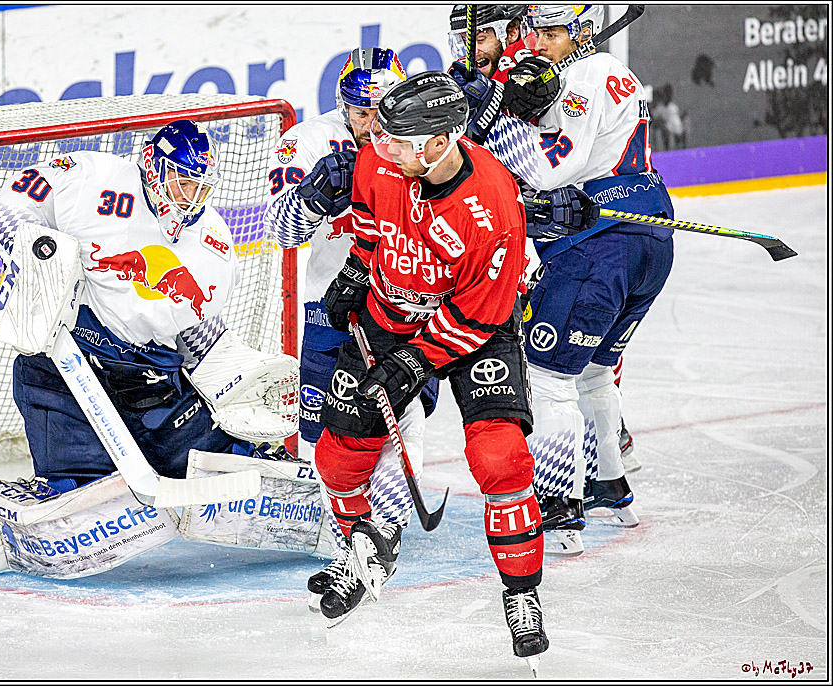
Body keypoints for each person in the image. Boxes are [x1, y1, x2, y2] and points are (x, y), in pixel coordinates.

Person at [309, 70, 549, 668]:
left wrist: (418, 359)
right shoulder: (382, 157)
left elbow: (480, 313)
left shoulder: (492, 206)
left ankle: (522, 593)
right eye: (381, 134)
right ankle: (360, 552)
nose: (379, 146)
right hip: (390, 311)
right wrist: (356, 273)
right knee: (339, 452)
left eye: (396, 139)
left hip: (472, 329)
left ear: (439, 142)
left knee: (499, 456)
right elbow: (369, 223)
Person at [0, 119, 297, 493]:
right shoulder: (92, 178)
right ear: (154, 165)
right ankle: (67, 487)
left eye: (201, 188)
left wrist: (232, 373)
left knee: (203, 460)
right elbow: (13, 203)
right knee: (87, 483)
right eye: (183, 182)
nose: (191, 198)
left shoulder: (212, 241)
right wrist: (35, 253)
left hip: (144, 374)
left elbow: (196, 327)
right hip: (64, 362)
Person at [475, 5, 675, 554]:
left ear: (580, 33)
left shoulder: (585, 78)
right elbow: (581, 142)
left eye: (552, 32)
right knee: (594, 372)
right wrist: (540, 105)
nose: (539, 41)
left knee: (546, 379)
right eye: (535, 31)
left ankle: (560, 510)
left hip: (596, 249)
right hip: (649, 240)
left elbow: (549, 170)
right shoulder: (601, 71)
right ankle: (611, 484)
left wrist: (510, 117)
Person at [263, 47, 439, 612]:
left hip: (409, 300)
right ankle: (349, 532)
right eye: (361, 112)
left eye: (380, 111)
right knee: (321, 432)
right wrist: (314, 196)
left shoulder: (414, 143)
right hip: (330, 305)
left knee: (397, 416)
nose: (372, 124)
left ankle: (376, 539)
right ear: (343, 105)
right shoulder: (309, 142)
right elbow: (281, 229)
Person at [447, 4, 536, 81]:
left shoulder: (533, 67)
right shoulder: (459, 72)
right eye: (466, 41)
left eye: (480, 39)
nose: (473, 52)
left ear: (512, 33)